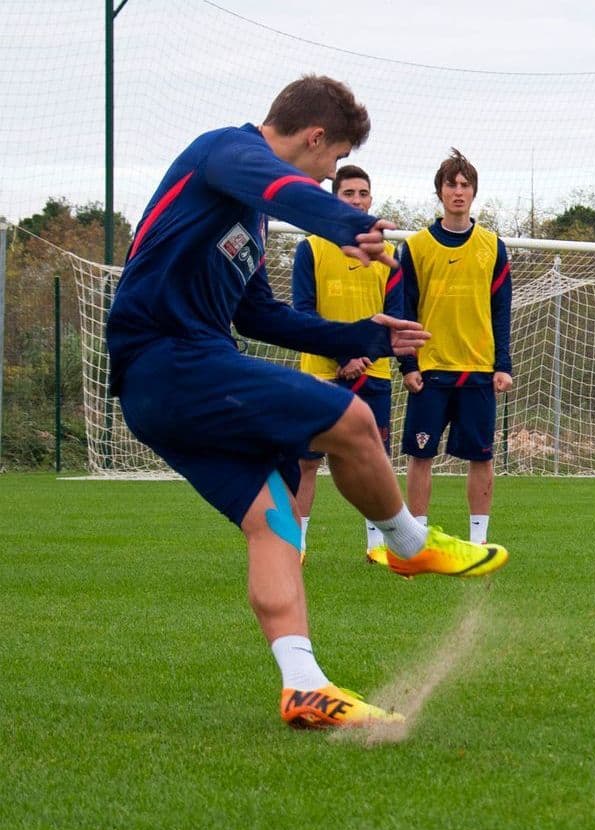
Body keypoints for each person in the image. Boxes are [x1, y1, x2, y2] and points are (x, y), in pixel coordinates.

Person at [104, 76, 507, 730]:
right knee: (352, 419)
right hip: (169, 361)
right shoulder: (223, 153)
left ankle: (303, 685)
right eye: (334, 161)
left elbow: (260, 316)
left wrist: (363, 337)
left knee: (274, 522)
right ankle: (407, 541)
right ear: (316, 137)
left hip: (167, 389)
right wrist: (348, 224)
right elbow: (282, 186)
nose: (328, 176)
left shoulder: (249, 220)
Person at [397, 149, 514, 544]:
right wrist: (408, 364)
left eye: (465, 185)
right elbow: (404, 309)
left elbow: (501, 311)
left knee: (482, 457)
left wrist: (503, 364)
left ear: (474, 192)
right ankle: (417, 540)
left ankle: (478, 542)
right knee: (420, 456)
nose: (458, 191)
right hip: (430, 370)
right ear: (440, 192)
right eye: (452, 185)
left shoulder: (492, 246)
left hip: (478, 369)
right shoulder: (415, 247)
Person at [290, 165, 398, 560]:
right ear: (334, 198)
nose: (356, 200)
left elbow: (395, 316)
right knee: (306, 462)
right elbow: (303, 312)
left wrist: (363, 356)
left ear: (371, 199)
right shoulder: (311, 248)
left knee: (375, 463)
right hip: (320, 373)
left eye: (362, 193)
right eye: (348, 193)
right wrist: (343, 355)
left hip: (374, 372)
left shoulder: (388, 255)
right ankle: (298, 545)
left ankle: (377, 545)